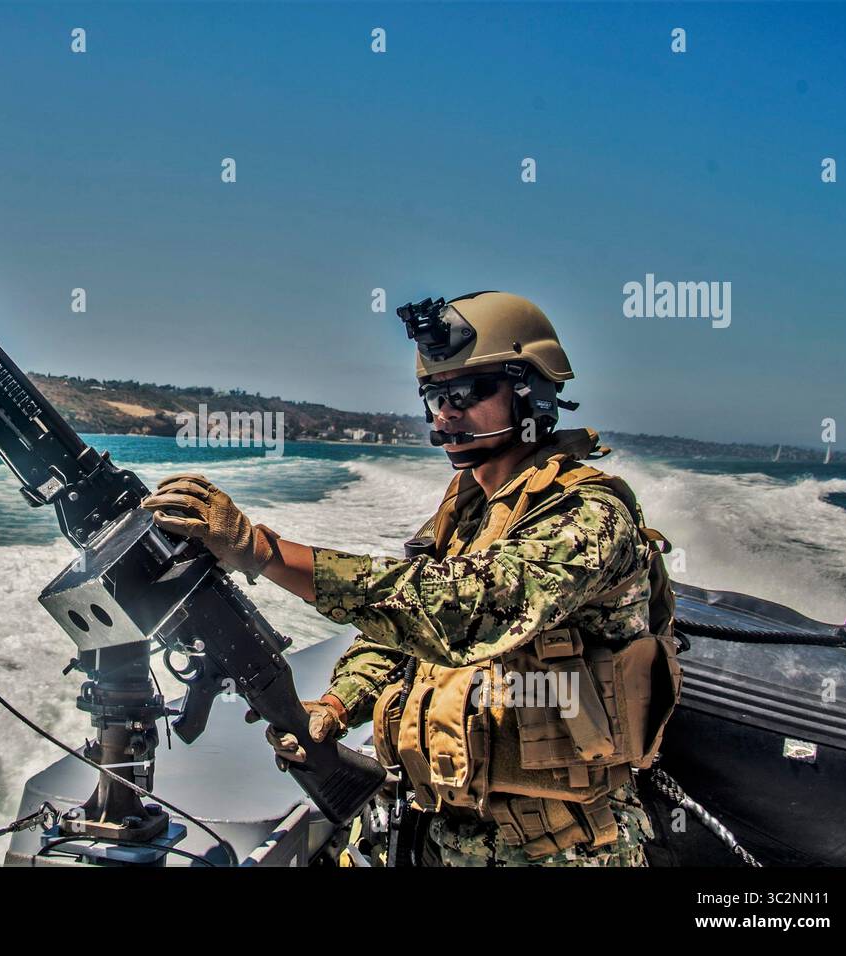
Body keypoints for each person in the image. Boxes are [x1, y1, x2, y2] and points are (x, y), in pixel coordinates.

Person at [140, 291, 681, 866]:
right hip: (435, 827)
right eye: (434, 396)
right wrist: (336, 706)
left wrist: (261, 550)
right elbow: (396, 640)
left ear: (531, 390)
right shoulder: (471, 510)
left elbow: (460, 613)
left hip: (555, 847)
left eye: (466, 393)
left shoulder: (590, 516)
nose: (444, 414)